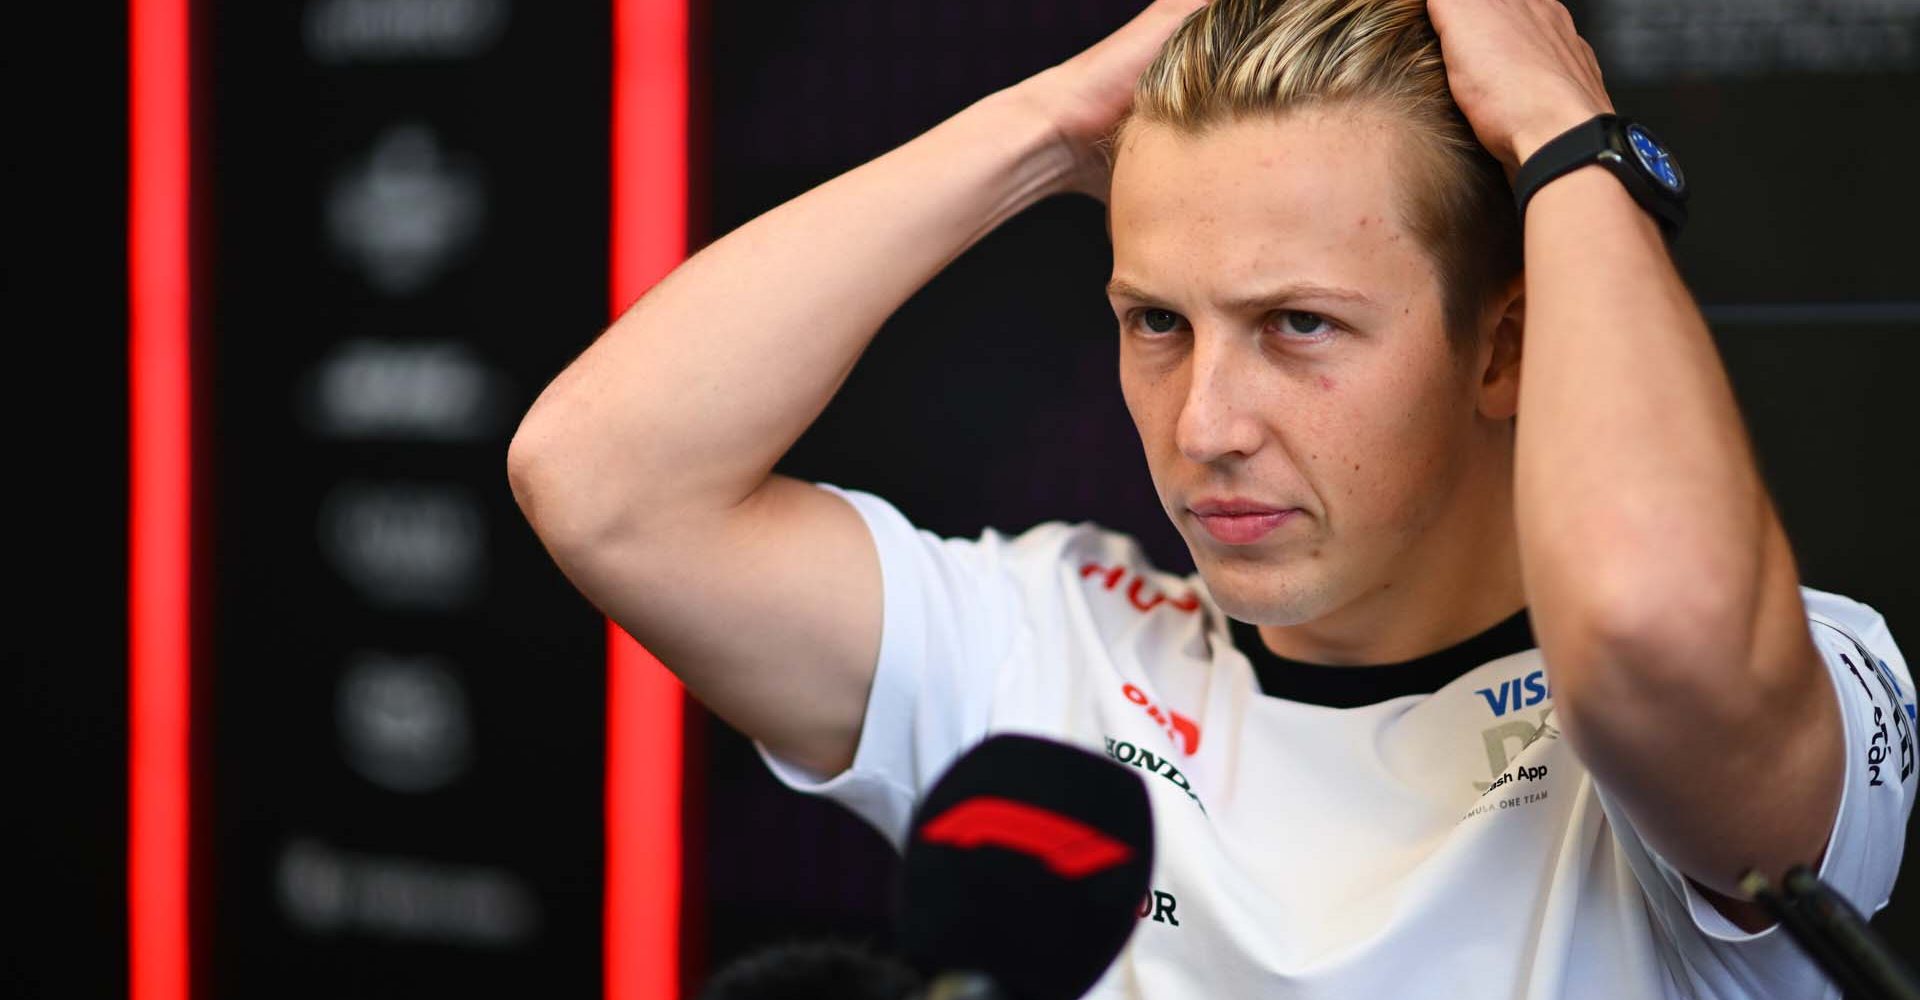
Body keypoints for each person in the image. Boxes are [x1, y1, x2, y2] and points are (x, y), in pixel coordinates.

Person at [507, 0, 1916, 995]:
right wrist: (1050, 123)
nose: (1207, 425)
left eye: (1300, 325)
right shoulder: (1055, 646)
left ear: (1504, 344)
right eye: (1157, 322)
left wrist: (1564, 137)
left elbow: (1653, 627)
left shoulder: (1794, 665)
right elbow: (603, 482)